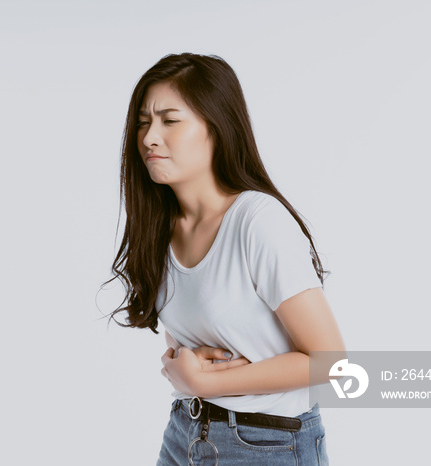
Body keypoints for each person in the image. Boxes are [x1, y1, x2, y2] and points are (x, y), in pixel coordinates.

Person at [105, 52, 346, 465]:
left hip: (266, 443)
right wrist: (188, 368)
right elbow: (199, 342)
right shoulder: (160, 230)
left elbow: (329, 362)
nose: (148, 137)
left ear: (216, 128)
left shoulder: (257, 221)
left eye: (170, 120)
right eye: (144, 122)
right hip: (186, 430)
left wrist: (202, 381)